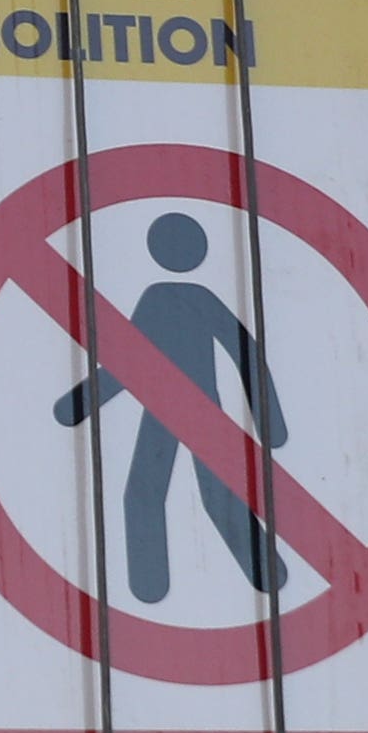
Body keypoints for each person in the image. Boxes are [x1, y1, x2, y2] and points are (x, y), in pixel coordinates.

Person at [52, 212, 282, 604]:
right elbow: (242, 352)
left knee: (173, 493)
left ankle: (158, 585)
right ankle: (152, 586)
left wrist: (81, 403)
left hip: (190, 412)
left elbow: (239, 350)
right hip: (172, 410)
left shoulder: (171, 299)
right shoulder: (172, 299)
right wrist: (270, 423)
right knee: (159, 492)